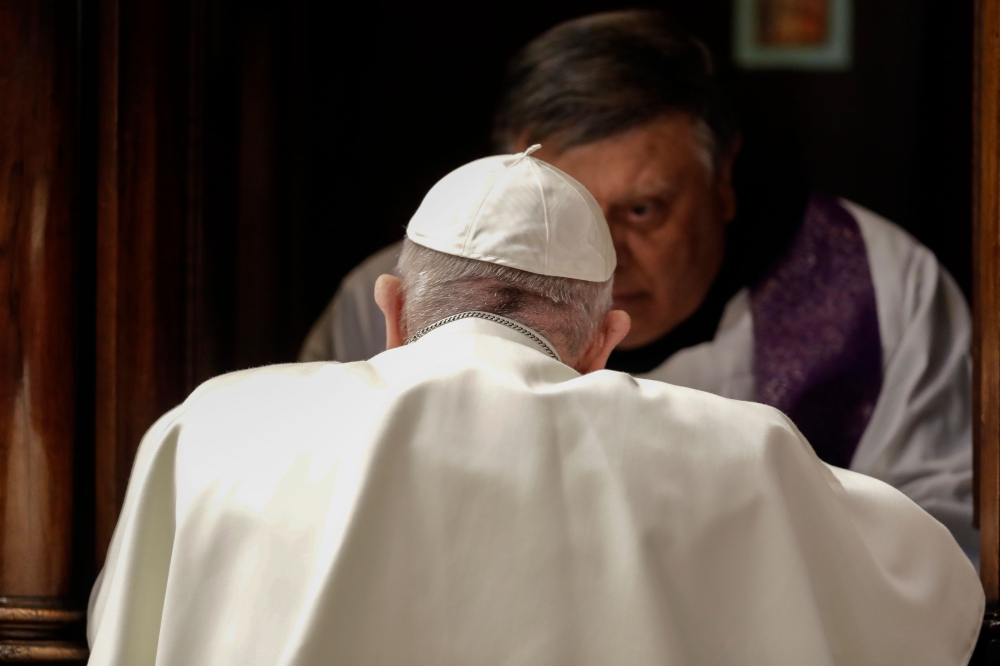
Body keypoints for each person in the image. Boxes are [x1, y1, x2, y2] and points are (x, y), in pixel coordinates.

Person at [88, 148, 982, 665]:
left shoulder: (213, 427)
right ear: (606, 338)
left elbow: (122, 642)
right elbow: (937, 595)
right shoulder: (741, 453)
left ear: (391, 309)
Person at [300, 10, 977, 561]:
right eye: (564, 215)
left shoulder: (880, 289)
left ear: (721, 178)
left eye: (643, 210)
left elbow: (938, 552)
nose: (604, 261)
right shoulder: (410, 293)